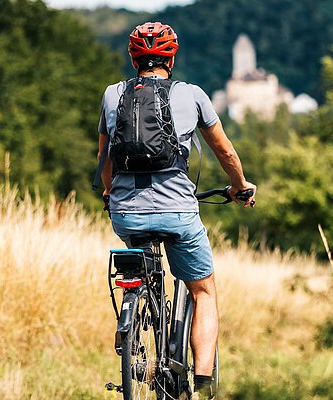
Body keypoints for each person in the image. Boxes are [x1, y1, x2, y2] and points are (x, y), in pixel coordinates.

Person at [96, 21, 256, 400]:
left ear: (134, 57)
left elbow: (104, 158)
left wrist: (108, 194)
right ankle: (201, 381)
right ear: (171, 56)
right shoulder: (193, 95)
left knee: (143, 261)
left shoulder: (112, 94)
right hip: (178, 214)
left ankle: (137, 319)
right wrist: (239, 185)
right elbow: (225, 151)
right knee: (203, 291)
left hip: (126, 215)